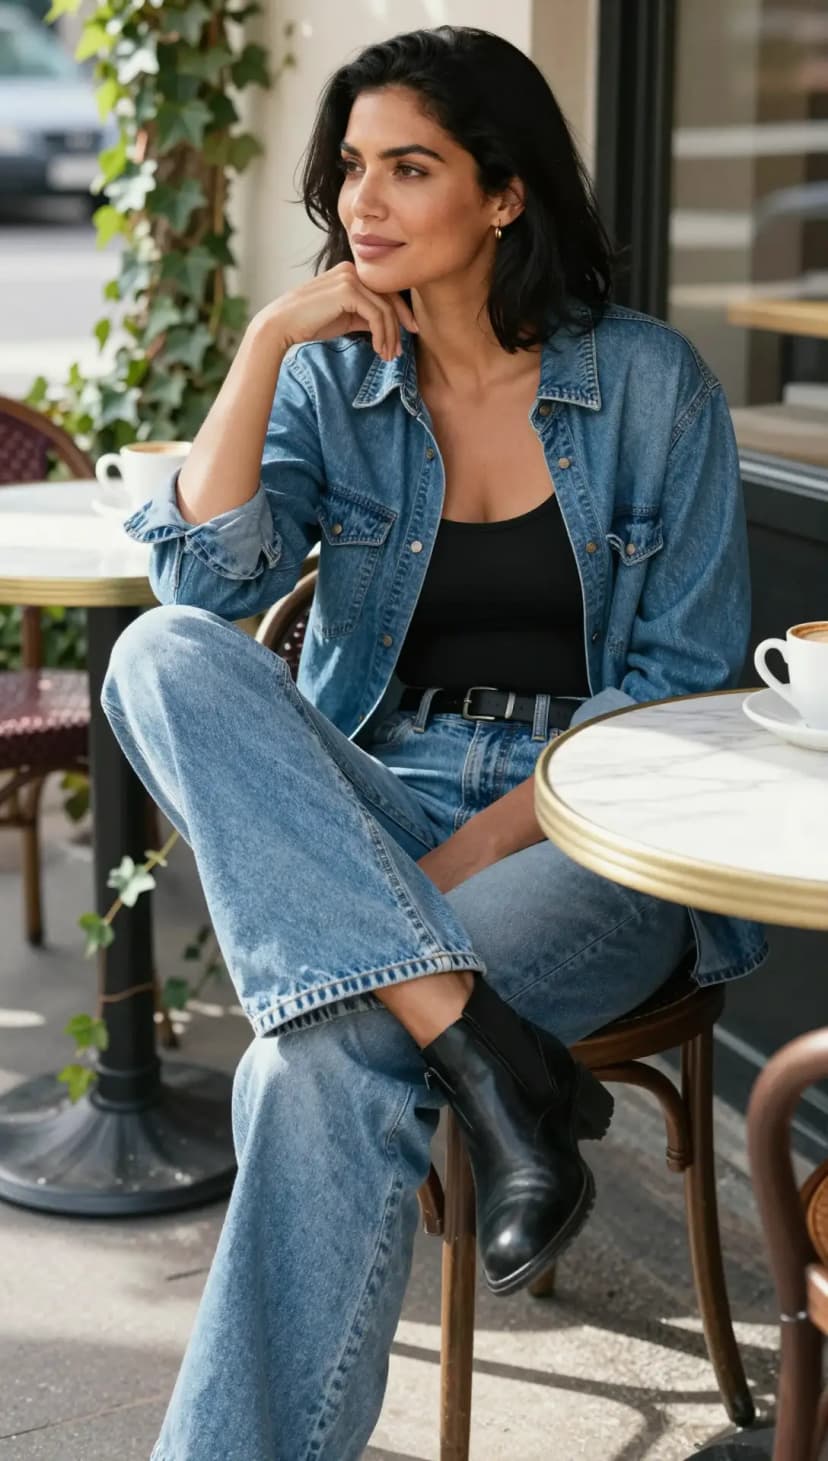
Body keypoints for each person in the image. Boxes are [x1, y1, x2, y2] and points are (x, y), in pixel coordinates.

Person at [101, 25, 767, 1461]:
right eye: (352, 169)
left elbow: (677, 694)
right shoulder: (336, 378)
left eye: (412, 167)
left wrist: (462, 857)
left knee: (311, 1061)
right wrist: (271, 337)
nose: (365, 204)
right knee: (155, 659)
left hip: (591, 832)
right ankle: (486, 1049)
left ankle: (464, 1043)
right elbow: (198, 592)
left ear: (506, 193)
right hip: (373, 798)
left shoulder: (655, 390)